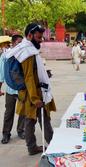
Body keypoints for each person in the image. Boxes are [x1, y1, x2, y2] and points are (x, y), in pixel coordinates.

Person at [5, 23, 56, 155]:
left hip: (30, 92)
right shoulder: (27, 52)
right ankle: (50, 143)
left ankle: (33, 147)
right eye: (38, 37)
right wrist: (35, 98)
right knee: (36, 119)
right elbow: (28, 77)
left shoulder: (27, 49)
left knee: (31, 119)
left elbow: (33, 73)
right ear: (29, 35)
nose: (41, 40)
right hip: (32, 93)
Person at [0, 35, 25, 144]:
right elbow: (1, 74)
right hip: (10, 90)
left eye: (22, 42)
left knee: (23, 112)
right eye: (19, 42)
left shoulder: (24, 55)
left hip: (22, 89)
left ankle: (21, 130)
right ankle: (6, 133)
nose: (20, 45)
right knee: (9, 112)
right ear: (13, 43)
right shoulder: (5, 56)